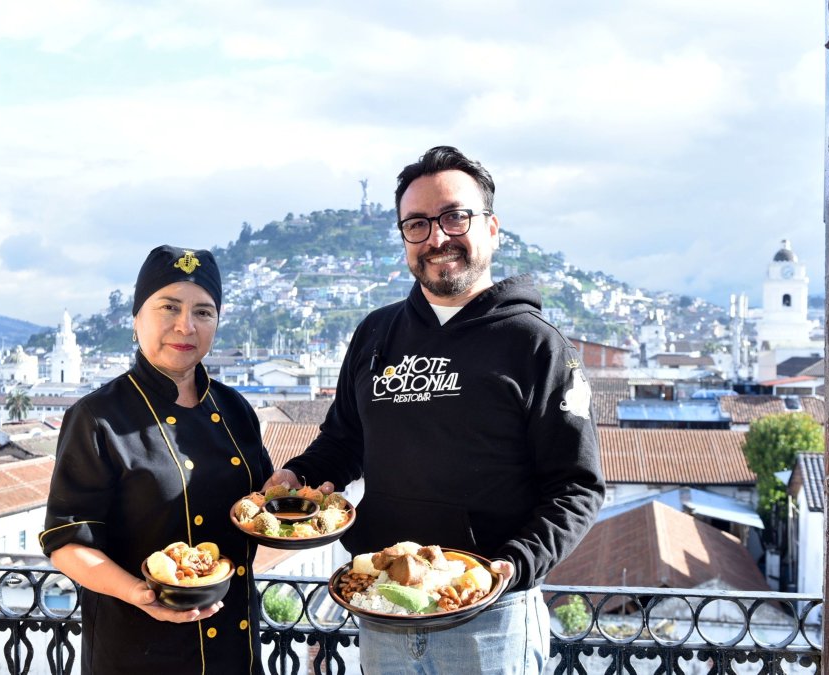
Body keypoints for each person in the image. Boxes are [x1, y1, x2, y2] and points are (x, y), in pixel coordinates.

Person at [267, 146, 605, 674]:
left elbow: (577, 487)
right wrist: (298, 475)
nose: (437, 238)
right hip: (382, 606)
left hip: (490, 619)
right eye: (417, 224)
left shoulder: (537, 346)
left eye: (454, 217)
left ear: (492, 228)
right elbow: (343, 443)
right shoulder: (376, 334)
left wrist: (511, 567)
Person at [40, 245, 272, 674]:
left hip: (236, 648)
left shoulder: (236, 408)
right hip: (140, 647)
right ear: (136, 319)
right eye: (169, 307)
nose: (186, 325)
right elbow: (67, 542)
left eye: (203, 312)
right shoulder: (97, 417)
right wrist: (142, 594)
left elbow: (260, 511)